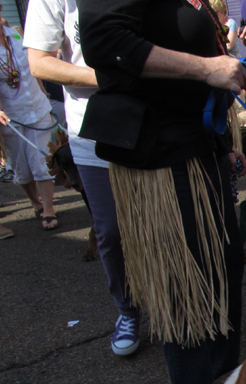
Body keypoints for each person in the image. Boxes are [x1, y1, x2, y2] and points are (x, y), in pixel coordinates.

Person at [76, 0, 246, 384]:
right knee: (186, 288)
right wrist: (205, 68)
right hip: (159, 157)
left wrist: (224, 142)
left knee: (223, 276)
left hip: (200, 147)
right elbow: (105, 43)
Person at [25, 0, 142, 356]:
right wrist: (109, 75)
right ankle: (128, 310)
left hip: (157, 124)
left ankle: (175, 305)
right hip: (93, 131)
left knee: (165, 224)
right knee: (110, 230)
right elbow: (39, 61)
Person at [0, 7, 59, 232]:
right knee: (21, 167)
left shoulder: (16, 35)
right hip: (12, 117)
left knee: (40, 160)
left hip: (38, 108)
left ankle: (49, 209)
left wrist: (44, 92)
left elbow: (33, 67)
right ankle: (35, 201)